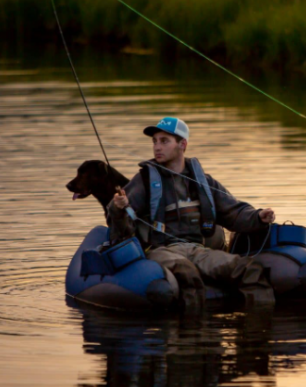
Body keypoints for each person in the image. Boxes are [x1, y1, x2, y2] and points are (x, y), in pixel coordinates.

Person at [107, 117, 276, 308]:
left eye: (164, 141)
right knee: (187, 272)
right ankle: (194, 335)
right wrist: (118, 207)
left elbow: (234, 212)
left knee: (248, 268)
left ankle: (259, 331)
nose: (157, 147)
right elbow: (122, 229)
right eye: (155, 141)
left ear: (183, 144)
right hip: (161, 251)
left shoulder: (203, 181)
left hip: (199, 250)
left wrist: (258, 216)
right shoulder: (144, 180)